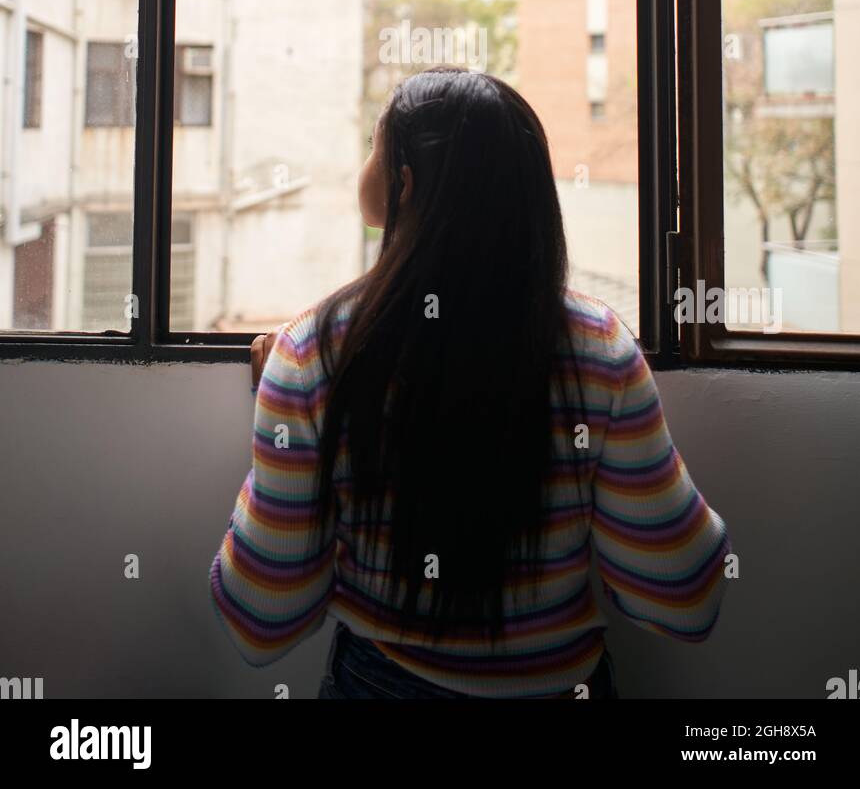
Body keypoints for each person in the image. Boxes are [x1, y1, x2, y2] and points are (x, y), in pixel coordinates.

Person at [209, 66, 730, 699]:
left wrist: (284, 408)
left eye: (374, 146)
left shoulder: (315, 354)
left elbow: (261, 620)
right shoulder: (600, 350)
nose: (364, 163)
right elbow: (685, 597)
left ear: (402, 186)